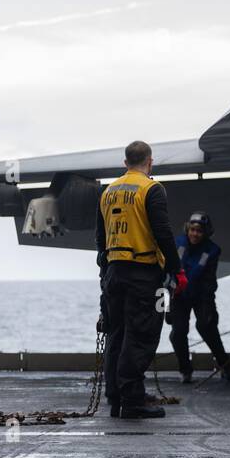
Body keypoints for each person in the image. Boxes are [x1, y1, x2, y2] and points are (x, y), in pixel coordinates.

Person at [96, 141, 184, 419]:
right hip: (143, 273)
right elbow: (163, 232)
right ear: (149, 162)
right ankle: (132, 401)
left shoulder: (108, 191)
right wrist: (177, 269)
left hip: (114, 273)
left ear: (125, 163)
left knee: (117, 334)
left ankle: (116, 397)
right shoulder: (151, 189)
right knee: (141, 336)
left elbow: (100, 239)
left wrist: (104, 272)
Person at [169, 212, 230, 383]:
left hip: (201, 295)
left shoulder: (212, 251)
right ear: (187, 229)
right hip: (179, 296)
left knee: (207, 327)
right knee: (178, 333)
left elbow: (209, 279)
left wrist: (207, 306)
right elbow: (169, 270)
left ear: (205, 233)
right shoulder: (177, 244)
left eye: (199, 231)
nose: (195, 234)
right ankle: (185, 370)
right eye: (192, 230)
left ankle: (225, 364)